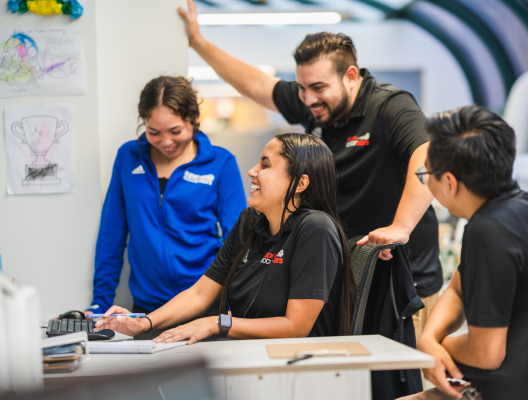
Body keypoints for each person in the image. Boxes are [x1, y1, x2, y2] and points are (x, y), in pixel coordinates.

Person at [177, 2, 442, 397]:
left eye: (317, 88)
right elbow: (257, 86)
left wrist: (401, 227)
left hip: (403, 279)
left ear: (351, 75)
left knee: (405, 385)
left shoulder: (389, 106)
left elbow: (426, 155)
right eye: (301, 88)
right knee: (356, 386)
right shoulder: (316, 105)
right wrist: (198, 43)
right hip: (349, 277)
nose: (307, 98)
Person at [95, 133, 356, 343]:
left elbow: (296, 326)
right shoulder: (250, 222)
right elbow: (200, 293)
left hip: (296, 368)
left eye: (265, 164)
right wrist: (144, 322)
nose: (252, 171)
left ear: (300, 183)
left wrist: (217, 323)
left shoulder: (316, 229)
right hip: (246, 354)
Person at [413, 105, 528, 399]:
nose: (426, 181)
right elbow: (457, 289)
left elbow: (485, 353)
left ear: (450, 182)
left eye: (426, 173)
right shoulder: (524, 206)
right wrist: (429, 339)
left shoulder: (488, 230)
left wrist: (437, 349)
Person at [89, 76, 246, 315]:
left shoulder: (220, 163)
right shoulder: (128, 157)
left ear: (193, 120)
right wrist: (100, 302)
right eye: (154, 132)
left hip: (203, 304)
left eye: (175, 131)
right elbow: (111, 234)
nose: (166, 142)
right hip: (147, 307)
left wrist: (234, 297)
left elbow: (237, 239)